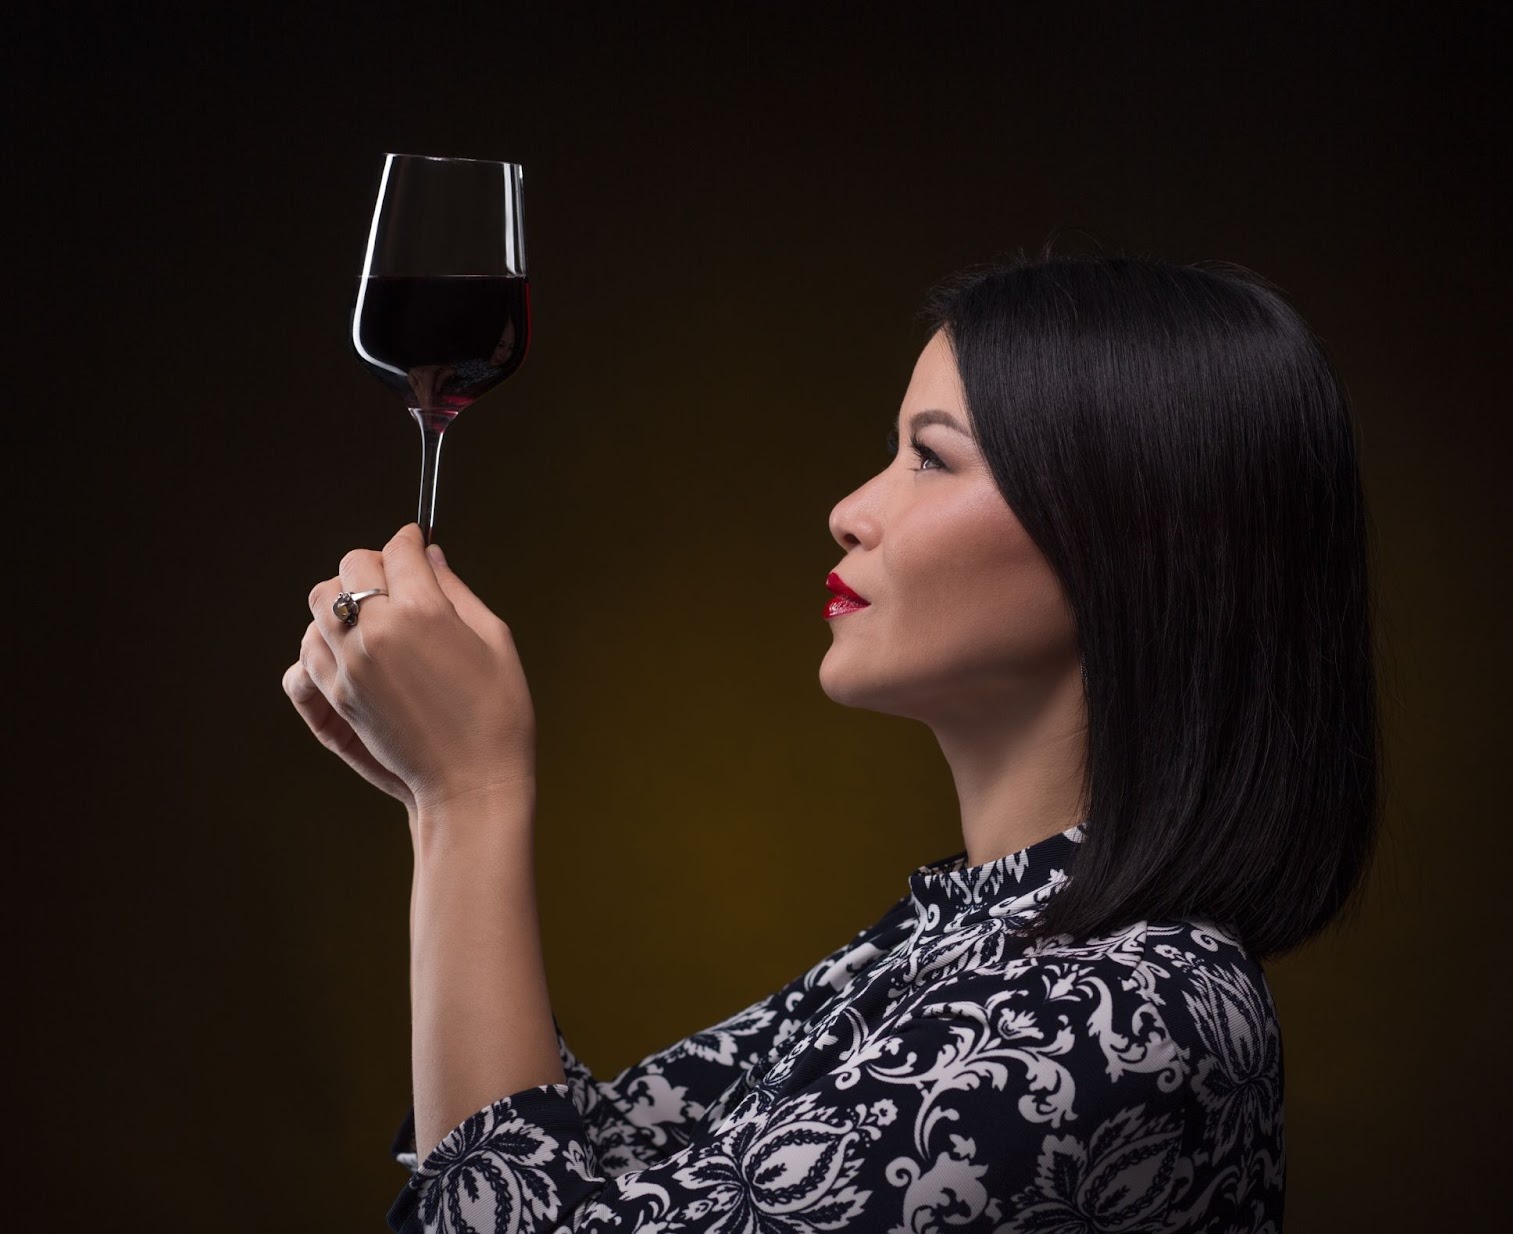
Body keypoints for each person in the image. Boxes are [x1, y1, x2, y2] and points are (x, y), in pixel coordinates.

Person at [284, 249, 1381, 1233]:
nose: (851, 508)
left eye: (931, 458)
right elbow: (598, 1164)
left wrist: (472, 797)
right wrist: (434, 802)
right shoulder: (958, 939)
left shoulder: (1140, 1012)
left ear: (1131, 540)